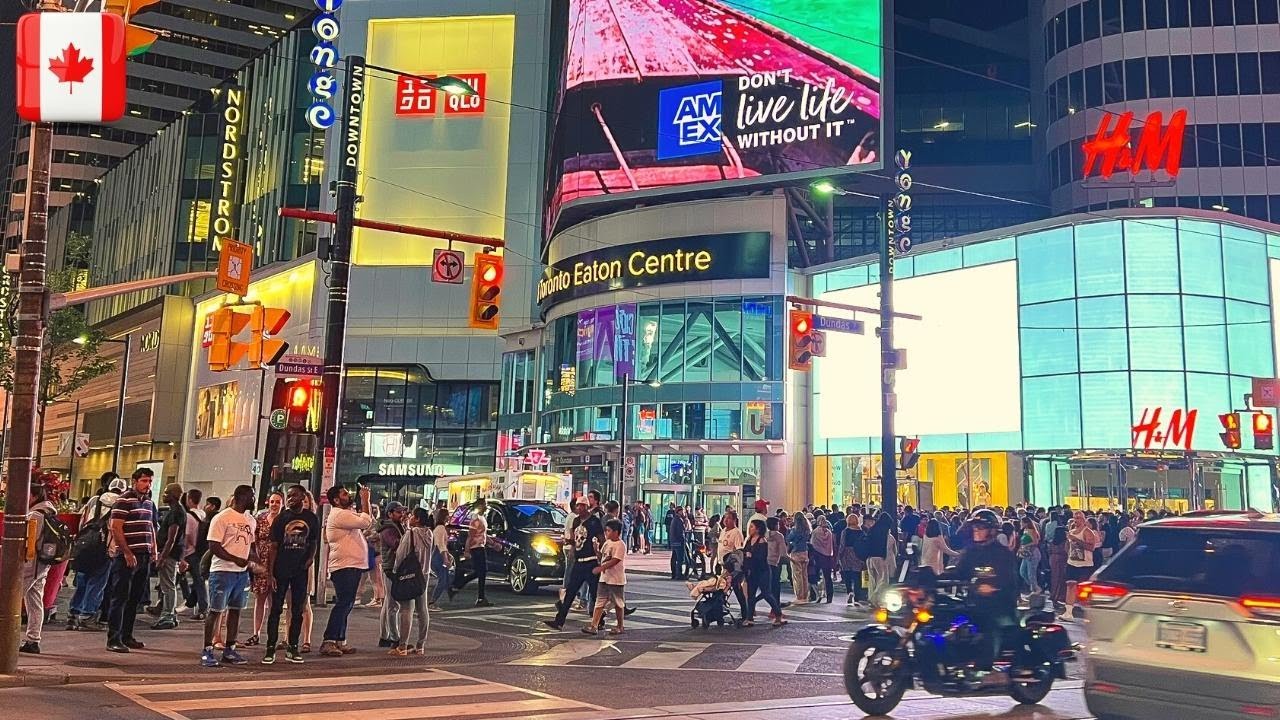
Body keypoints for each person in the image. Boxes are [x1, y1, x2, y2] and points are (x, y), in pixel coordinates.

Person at [942, 509, 1020, 678]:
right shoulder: (971, 552)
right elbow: (959, 572)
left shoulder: (1002, 554)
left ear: (992, 530)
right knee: (950, 617)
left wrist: (992, 587)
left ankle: (985, 667)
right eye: (975, 527)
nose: (976, 530)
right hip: (974, 603)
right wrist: (937, 577)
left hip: (999, 605)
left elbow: (1008, 580)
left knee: (988, 624)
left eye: (981, 527)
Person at [201, 484, 257, 667]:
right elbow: (214, 546)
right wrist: (236, 559)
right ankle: (207, 650)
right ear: (242, 497)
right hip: (222, 571)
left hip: (241, 574)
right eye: (252, 496)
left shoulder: (250, 519)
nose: (254, 500)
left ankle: (230, 648)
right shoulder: (222, 518)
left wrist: (258, 562)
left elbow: (250, 545)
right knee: (215, 611)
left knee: (236, 610)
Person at [262, 484, 318, 665]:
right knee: (276, 609)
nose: (291, 499)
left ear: (303, 497)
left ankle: (293, 647)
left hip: (300, 569)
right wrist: (270, 573)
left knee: (298, 610)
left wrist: (310, 558)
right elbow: (273, 546)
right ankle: (270, 647)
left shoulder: (311, 518)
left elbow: (313, 541)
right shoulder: (281, 519)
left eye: (294, 495)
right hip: (281, 569)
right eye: (289, 496)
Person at [106, 468, 156, 653]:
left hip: (144, 554)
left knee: (135, 598)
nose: (147, 484)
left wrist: (153, 550)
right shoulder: (124, 500)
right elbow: (116, 528)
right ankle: (114, 637)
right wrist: (126, 552)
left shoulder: (149, 502)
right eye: (143, 481)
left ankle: (127, 635)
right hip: (127, 556)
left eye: (149, 481)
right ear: (134, 481)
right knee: (120, 597)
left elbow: (150, 526)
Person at [321, 483, 375, 656]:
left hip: (352, 565)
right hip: (345, 566)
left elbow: (366, 520)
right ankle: (329, 640)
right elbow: (366, 522)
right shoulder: (339, 515)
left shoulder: (345, 513)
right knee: (344, 603)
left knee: (347, 603)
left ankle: (340, 640)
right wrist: (365, 499)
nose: (348, 495)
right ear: (336, 499)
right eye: (345, 494)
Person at [67, 474, 126, 631]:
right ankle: (87, 616)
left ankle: (73, 614)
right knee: (97, 583)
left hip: (85, 546)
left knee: (82, 581)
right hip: (103, 549)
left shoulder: (94, 500)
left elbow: (82, 520)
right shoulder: (121, 504)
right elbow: (116, 528)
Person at [544, 497, 604, 630]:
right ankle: (559, 621)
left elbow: (602, 539)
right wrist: (568, 542)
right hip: (579, 561)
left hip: (590, 561)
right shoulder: (576, 521)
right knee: (571, 591)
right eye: (578, 506)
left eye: (582, 506)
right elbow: (574, 540)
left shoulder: (594, 521)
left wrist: (600, 555)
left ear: (587, 507)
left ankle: (600, 619)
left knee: (595, 593)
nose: (579, 508)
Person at [390, 507, 435, 656]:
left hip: (410, 574)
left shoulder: (411, 533)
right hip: (425, 574)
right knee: (423, 609)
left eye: (411, 516)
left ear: (416, 519)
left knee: (407, 609)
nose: (409, 517)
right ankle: (421, 644)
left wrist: (396, 571)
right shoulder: (429, 533)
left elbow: (401, 555)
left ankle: (402, 646)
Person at [19, 480, 56, 654]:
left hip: (31, 563)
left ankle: (27, 639)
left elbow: (29, 541)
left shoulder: (36, 515)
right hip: (42, 564)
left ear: (33, 496)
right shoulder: (49, 511)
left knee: (9, 598)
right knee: (34, 601)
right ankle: (33, 640)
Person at [244, 491, 282, 647]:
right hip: (262, 563)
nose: (274, 505)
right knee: (260, 599)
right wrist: (256, 560)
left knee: (275, 601)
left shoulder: (284, 520)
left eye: (278, 502)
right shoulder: (260, 519)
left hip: (279, 563)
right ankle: (256, 633)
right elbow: (253, 540)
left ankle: (273, 635)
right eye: (272, 501)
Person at [151, 482, 187, 631]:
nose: (164, 495)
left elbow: (171, 538)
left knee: (168, 586)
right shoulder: (176, 511)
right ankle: (169, 614)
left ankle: (168, 615)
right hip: (172, 553)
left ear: (174, 495)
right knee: (167, 585)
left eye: (166, 493)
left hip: (170, 554)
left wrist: (163, 557)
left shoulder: (176, 512)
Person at [584, 518, 626, 635]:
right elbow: (601, 556)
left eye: (608, 530)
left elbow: (615, 560)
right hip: (604, 578)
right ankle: (594, 625)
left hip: (616, 579)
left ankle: (620, 626)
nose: (606, 533)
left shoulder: (620, 545)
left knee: (618, 603)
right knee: (599, 602)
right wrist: (595, 548)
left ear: (616, 532)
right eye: (606, 530)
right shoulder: (607, 543)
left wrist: (601, 568)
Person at [742, 518, 785, 627]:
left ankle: (778, 615)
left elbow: (761, 556)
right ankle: (749, 618)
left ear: (758, 529)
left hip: (762, 571)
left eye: (752, 527)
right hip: (752, 570)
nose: (750, 528)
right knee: (751, 594)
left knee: (766, 593)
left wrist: (750, 555)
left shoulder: (762, 541)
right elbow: (745, 551)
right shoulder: (749, 539)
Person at [376, 502, 408, 647]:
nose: (401, 514)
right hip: (391, 568)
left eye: (402, 512)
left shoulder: (397, 526)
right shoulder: (388, 529)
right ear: (390, 513)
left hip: (394, 567)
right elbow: (398, 545)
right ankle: (395, 638)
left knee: (389, 603)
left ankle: (385, 636)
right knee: (392, 605)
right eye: (398, 512)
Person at [451, 498, 492, 607]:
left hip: (480, 546)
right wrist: (467, 550)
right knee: (481, 572)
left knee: (481, 572)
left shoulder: (482, 518)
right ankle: (477, 596)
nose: (486, 506)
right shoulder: (475, 518)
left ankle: (461, 586)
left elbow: (482, 534)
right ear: (480, 506)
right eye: (484, 504)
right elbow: (471, 535)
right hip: (476, 547)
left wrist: (492, 542)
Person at [1062, 510, 1100, 621]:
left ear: (1083, 520)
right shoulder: (1072, 531)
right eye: (1075, 517)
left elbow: (1091, 547)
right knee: (1070, 585)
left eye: (1079, 518)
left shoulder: (1088, 532)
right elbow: (1068, 546)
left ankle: (1089, 611)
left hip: (1084, 564)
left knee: (1084, 588)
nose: (1076, 520)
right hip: (1072, 562)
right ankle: (1068, 612)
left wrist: (1077, 540)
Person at [180, 489, 208, 620]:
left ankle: (200, 607)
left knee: (178, 579)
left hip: (190, 552)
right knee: (199, 581)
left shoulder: (189, 516)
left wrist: (182, 554)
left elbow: (187, 536)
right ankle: (194, 604)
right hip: (201, 551)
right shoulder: (203, 514)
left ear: (189, 500)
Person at [864, 512, 894, 605]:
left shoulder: (872, 529)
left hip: (869, 557)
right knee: (883, 580)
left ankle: (873, 599)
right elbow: (887, 546)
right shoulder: (885, 531)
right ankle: (874, 597)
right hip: (880, 557)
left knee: (873, 580)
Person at [427, 507, 452, 611]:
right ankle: (431, 602)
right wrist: (445, 558)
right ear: (445, 517)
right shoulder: (441, 529)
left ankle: (431, 601)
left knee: (444, 579)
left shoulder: (439, 528)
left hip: (438, 555)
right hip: (438, 556)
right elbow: (441, 545)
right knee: (443, 579)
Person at [786, 512, 812, 603]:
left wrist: (789, 529)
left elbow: (788, 539)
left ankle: (799, 596)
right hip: (805, 552)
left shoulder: (794, 530)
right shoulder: (807, 529)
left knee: (797, 576)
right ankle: (805, 595)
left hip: (796, 553)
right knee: (804, 575)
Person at [810, 515, 836, 603]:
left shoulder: (815, 532)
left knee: (814, 576)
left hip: (817, 556)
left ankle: (815, 595)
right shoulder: (829, 532)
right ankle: (829, 597)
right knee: (828, 577)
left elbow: (812, 544)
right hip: (827, 556)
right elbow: (832, 544)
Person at [1017, 516, 1042, 597]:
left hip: (1032, 553)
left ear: (1026, 523)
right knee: (1022, 571)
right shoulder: (1025, 531)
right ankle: (1033, 585)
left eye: (1022, 522)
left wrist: (1025, 545)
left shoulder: (1032, 531)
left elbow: (1035, 542)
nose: (1021, 524)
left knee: (1031, 572)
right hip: (1026, 553)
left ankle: (1035, 589)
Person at [765, 516, 788, 606]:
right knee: (776, 585)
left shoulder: (765, 535)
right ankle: (776, 606)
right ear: (775, 525)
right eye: (777, 524)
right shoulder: (779, 536)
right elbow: (783, 552)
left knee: (767, 586)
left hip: (765, 562)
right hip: (775, 562)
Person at [669, 505, 688, 580]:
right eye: (682, 511)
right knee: (680, 559)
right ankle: (679, 574)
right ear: (679, 512)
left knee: (674, 558)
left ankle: (674, 573)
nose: (683, 512)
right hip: (679, 541)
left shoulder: (675, 519)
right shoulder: (679, 520)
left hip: (674, 541)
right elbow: (681, 532)